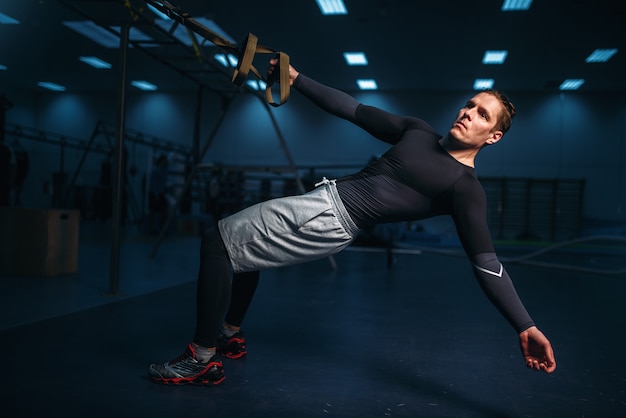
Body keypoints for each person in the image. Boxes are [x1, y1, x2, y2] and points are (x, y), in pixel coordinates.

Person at [148, 59, 557, 386]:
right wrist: (297, 78)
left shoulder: (464, 187)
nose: (468, 113)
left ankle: (200, 358)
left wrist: (525, 324)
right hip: (322, 202)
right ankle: (227, 335)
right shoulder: (418, 132)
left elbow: (486, 262)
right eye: (469, 104)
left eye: (482, 114)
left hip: (329, 217)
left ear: (493, 136)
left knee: (217, 242)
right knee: (243, 255)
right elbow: (352, 109)